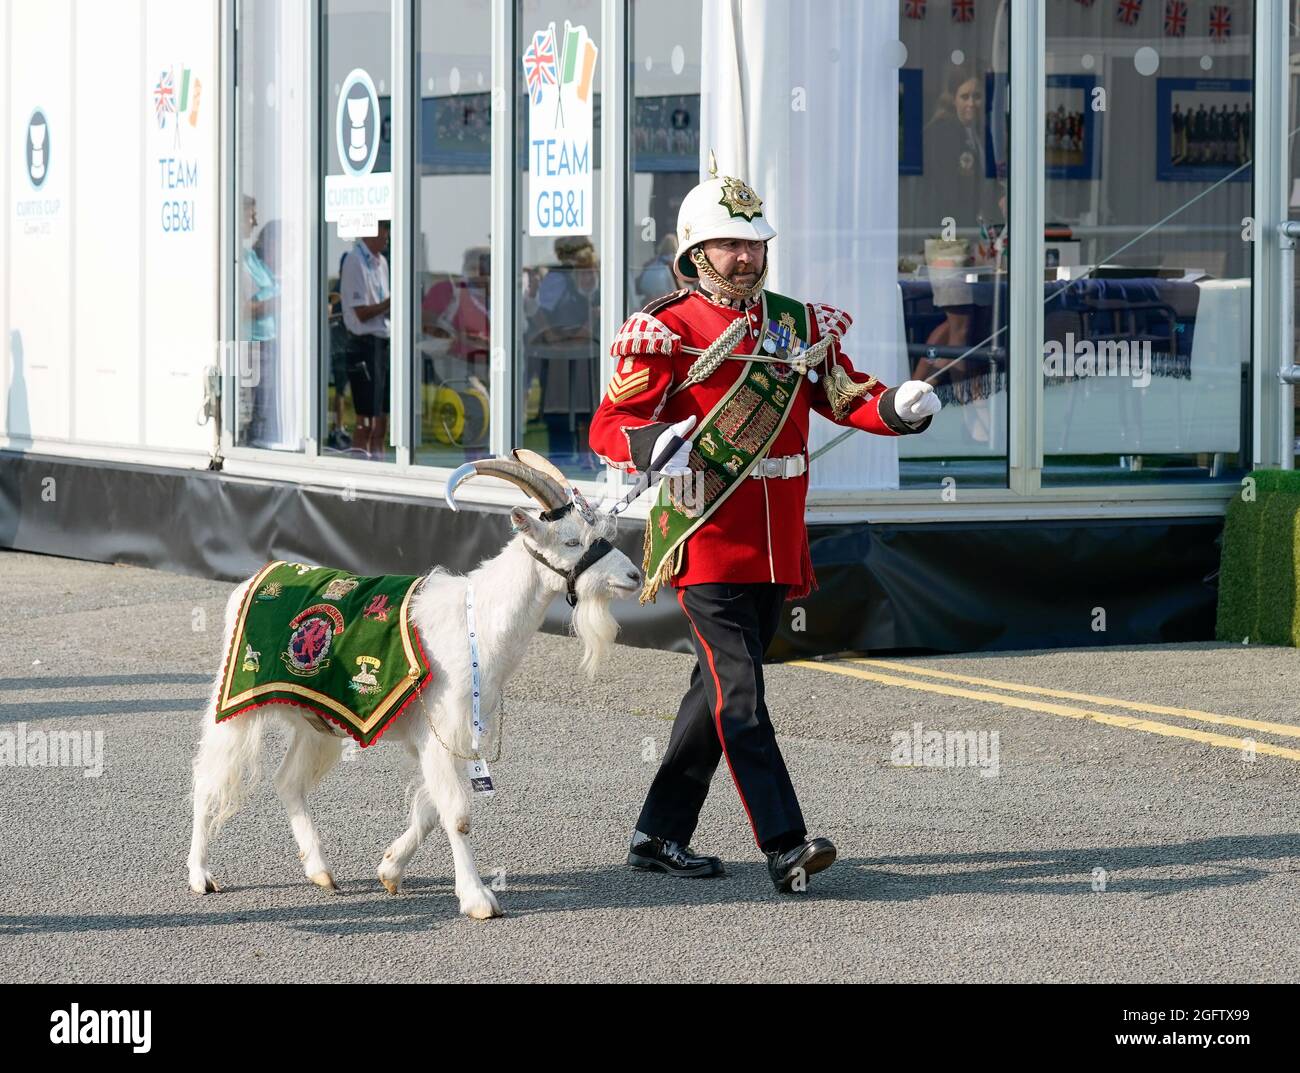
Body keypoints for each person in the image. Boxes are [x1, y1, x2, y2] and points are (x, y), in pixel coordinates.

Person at [587, 160, 942, 893]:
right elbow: (610, 423)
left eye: (753, 244)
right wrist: (651, 443)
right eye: (728, 245)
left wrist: (895, 408)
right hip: (705, 533)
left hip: (777, 543)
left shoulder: (794, 322)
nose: (745, 257)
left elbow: (843, 394)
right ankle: (785, 844)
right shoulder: (667, 328)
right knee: (741, 694)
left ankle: (657, 834)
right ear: (694, 252)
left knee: (713, 694)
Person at [340, 218, 392, 458]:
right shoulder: (354, 261)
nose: (387, 236)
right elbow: (360, 313)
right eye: (384, 230)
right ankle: (359, 472)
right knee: (366, 420)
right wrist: (389, 303)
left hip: (382, 343)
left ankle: (380, 470)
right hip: (363, 345)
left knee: (382, 420)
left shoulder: (381, 262)